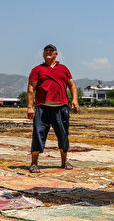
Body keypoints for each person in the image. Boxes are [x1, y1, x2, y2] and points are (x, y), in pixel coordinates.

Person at [27, 44, 80, 173]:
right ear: (43, 54)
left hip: (61, 107)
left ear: (56, 54)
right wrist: (30, 107)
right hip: (42, 108)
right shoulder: (37, 69)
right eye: (46, 51)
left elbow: (72, 85)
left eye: (51, 51)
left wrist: (74, 99)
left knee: (63, 135)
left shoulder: (63, 69)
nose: (48, 53)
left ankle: (64, 161)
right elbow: (31, 88)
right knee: (38, 134)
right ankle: (34, 163)